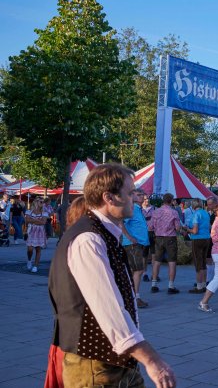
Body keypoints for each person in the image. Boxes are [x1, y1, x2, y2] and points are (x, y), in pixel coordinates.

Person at [48, 163, 176, 388]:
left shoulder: (102, 233)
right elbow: (109, 308)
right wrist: (152, 360)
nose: (135, 198)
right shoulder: (89, 239)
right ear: (109, 197)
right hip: (94, 366)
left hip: (113, 360)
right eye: (130, 193)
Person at [122, 189, 150, 309]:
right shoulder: (131, 208)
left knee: (136, 271)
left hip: (138, 244)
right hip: (133, 244)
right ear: (132, 195)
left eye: (142, 195)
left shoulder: (138, 209)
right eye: (139, 195)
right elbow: (121, 222)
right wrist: (129, 236)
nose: (142, 197)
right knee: (138, 270)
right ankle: (135, 298)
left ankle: (132, 297)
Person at [149, 193, 182, 294]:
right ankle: (171, 286)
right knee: (171, 262)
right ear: (171, 201)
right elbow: (177, 228)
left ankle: (154, 284)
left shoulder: (156, 212)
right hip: (170, 238)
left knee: (157, 261)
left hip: (159, 238)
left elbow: (150, 227)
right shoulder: (174, 212)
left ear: (163, 200)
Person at [186, 199, 212, 294]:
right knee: (204, 262)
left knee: (198, 263)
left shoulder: (195, 214)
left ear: (193, 205)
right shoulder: (206, 213)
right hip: (206, 239)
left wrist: (187, 229)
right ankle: (204, 284)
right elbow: (209, 226)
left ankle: (199, 286)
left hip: (197, 239)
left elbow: (195, 231)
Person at [25, 198, 48, 273]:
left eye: (43, 202)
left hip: (40, 232)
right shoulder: (29, 211)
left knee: (38, 249)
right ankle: (29, 260)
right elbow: (27, 220)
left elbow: (43, 222)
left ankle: (35, 266)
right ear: (36, 202)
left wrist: (33, 220)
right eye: (41, 202)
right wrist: (37, 220)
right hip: (31, 231)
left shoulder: (44, 213)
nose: (42, 203)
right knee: (30, 249)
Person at [141, 196, 155, 282]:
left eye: (148, 198)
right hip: (143, 234)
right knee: (144, 255)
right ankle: (144, 273)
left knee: (154, 254)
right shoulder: (139, 210)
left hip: (153, 233)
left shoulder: (154, 208)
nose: (147, 200)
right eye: (145, 199)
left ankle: (154, 273)